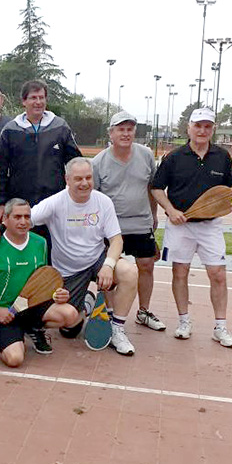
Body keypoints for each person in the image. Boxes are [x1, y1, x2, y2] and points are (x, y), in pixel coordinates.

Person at [0, 157, 138, 356]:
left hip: (97, 260)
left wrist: (108, 265)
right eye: (78, 178)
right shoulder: (55, 202)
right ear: (67, 179)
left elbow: (116, 240)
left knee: (129, 272)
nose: (84, 183)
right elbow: (24, 220)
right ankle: (86, 303)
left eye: (88, 178)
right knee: (70, 328)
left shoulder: (103, 202)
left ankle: (117, 329)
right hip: (67, 272)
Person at [150, 107, 232, 348]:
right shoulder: (173, 157)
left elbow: (231, 186)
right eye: (198, 126)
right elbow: (157, 188)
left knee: (218, 274)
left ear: (212, 130)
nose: (202, 130)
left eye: (207, 126)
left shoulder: (222, 156)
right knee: (180, 272)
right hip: (180, 227)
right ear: (188, 128)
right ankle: (184, 322)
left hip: (211, 226)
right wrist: (171, 210)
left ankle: (220, 327)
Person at [0, 199, 76, 367]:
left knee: (70, 315)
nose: (23, 222)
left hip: (32, 305)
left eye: (27, 216)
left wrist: (58, 294)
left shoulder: (40, 243)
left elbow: (42, 279)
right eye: (17, 217)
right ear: (5, 219)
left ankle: (34, 329)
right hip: (4, 312)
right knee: (15, 359)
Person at [92, 111, 165, 331]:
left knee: (146, 265)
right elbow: (94, 198)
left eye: (130, 129)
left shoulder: (146, 155)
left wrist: (154, 215)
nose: (126, 133)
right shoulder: (98, 162)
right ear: (111, 133)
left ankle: (143, 312)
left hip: (141, 222)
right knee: (111, 271)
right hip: (112, 228)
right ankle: (111, 313)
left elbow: (151, 188)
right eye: (120, 129)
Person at [0, 79, 81, 224]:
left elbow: (76, 163)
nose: (38, 102)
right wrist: (2, 202)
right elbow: (1, 171)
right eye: (33, 98)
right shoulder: (10, 130)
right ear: (24, 101)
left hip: (54, 203)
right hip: (20, 205)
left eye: (41, 97)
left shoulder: (60, 127)